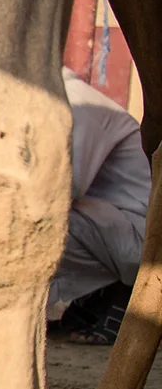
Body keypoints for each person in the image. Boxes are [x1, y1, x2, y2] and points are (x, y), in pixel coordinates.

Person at [49, 68, 152, 343]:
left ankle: (123, 291)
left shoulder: (80, 104)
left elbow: (66, 187)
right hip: (115, 228)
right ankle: (98, 296)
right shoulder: (59, 100)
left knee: (45, 219)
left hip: (145, 241)